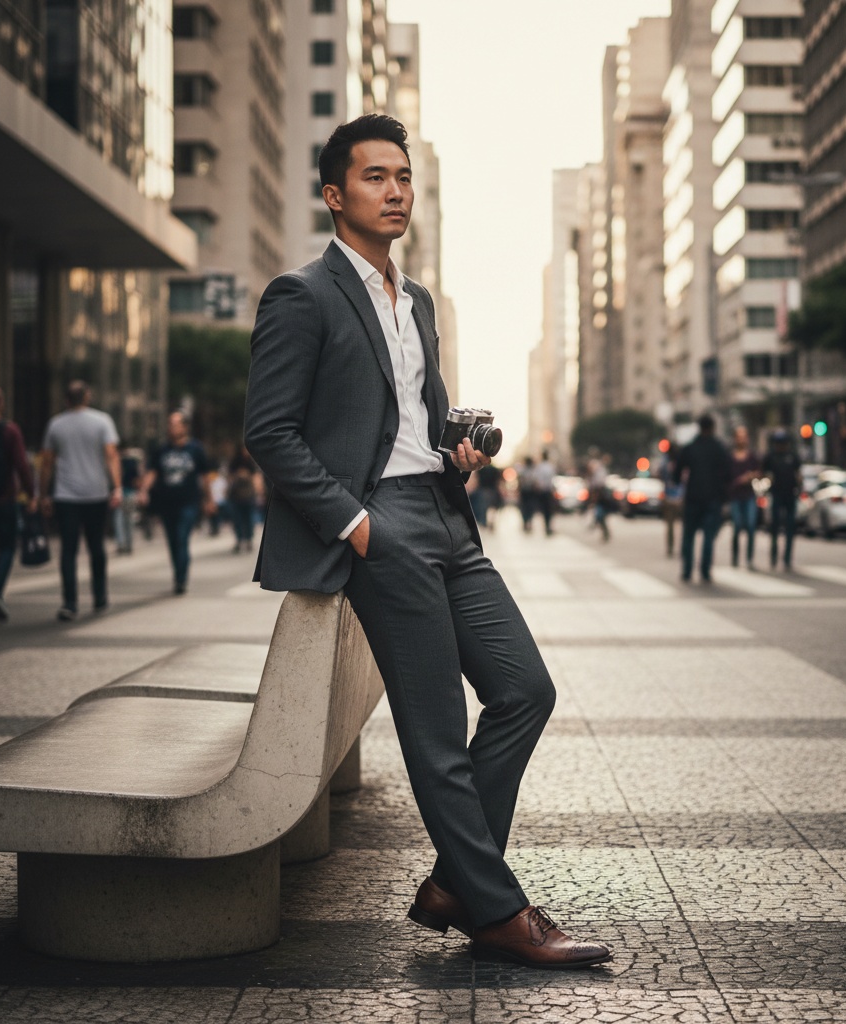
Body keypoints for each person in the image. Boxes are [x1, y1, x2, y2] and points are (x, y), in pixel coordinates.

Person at [244, 113, 610, 969]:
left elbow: (412, 419)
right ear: (335, 195)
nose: (396, 190)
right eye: (375, 177)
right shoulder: (301, 295)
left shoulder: (417, 302)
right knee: (439, 734)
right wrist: (358, 523)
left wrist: (460, 450)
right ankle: (498, 913)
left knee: (525, 690)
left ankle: (454, 882)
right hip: (381, 525)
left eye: (403, 176)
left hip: (447, 515)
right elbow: (270, 430)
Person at [40, 381, 121, 621]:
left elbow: (47, 463)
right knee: (96, 547)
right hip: (96, 493)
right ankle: (100, 597)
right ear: (87, 397)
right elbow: (111, 455)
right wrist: (116, 487)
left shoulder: (55, 424)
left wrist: (43, 494)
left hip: (66, 496)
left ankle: (70, 603)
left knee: (68, 550)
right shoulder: (102, 421)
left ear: (66, 400)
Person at [139, 411, 214, 594]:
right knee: (173, 541)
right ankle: (178, 575)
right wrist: (143, 490)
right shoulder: (161, 450)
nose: (171, 427)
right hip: (166, 503)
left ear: (185, 427)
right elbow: (152, 472)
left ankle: (181, 579)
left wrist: (209, 499)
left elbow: (205, 477)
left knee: (181, 538)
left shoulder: (196, 449)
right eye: (169, 424)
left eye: (175, 424)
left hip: (189, 502)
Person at [0, 386, 37, 622]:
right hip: (5, 499)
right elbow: (21, 465)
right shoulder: (10, 430)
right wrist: (30, 493)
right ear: (1, 404)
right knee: (7, 546)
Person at [674, 413, 731, 583]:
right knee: (708, 537)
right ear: (712, 428)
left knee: (688, 536)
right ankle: (705, 571)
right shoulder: (719, 448)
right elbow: (728, 473)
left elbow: (677, 474)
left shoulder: (690, 447)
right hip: (712, 498)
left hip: (693, 497)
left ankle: (687, 570)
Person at [762, 428, 802, 570]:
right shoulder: (770, 457)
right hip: (776, 494)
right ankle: (774, 552)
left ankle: (787, 558)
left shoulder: (792, 456)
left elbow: (798, 474)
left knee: (790, 527)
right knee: (775, 526)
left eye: (783, 443)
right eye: (779, 443)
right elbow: (764, 473)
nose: (781, 446)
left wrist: (800, 489)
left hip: (790, 495)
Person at [728, 426, 762, 569]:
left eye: (744, 436)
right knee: (736, 527)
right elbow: (726, 477)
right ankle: (735, 557)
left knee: (750, 526)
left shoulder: (752, 456)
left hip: (749, 495)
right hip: (735, 496)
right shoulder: (730, 457)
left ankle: (749, 559)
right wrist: (738, 480)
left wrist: (751, 476)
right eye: (739, 436)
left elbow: (759, 472)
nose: (742, 439)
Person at [228, 445, 259, 553]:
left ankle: (249, 539)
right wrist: (238, 475)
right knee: (238, 520)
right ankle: (239, 539)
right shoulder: (234, 462)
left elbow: (256, 478)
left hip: (249, 496)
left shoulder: (251, 462)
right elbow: (229, 478)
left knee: (249, 519)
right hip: (236, 496)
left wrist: (259, 492)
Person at [114, 443, 143, 554]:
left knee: (119, 519)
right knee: (128, 519)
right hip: (129, 493)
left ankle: (122, 544)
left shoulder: (118, 462)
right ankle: (128, 544)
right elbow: (137, 479)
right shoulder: (132, 462)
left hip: (121, 493)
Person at [586, 456, 611, 542]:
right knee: (599, 516)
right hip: (599, 497)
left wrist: (594, 499)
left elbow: (599, 486)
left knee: (600, 515)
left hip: (601, 498)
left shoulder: (599, 472)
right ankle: (600, 529)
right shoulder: (595, 474)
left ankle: (602, 530)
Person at [533, 449, 556, 536]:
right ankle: (548, 526)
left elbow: (536, 479)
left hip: (542, 491)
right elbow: (552, 479)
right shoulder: (550, 466)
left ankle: (547, 526)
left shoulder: (539, 467)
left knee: (544, 510)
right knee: (549, 510)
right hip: (548, 491)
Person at [517, 456, 538, 533]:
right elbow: (535, 481)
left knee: (524, 508)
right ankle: (529, 522)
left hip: (524, 492)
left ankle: (525, 522)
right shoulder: (533, 471)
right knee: (530, 507)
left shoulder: (522, 470)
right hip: (531, 492)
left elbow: (520, 481)